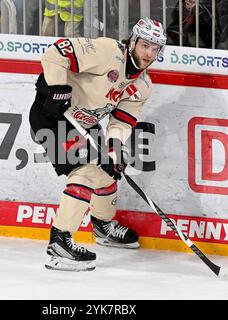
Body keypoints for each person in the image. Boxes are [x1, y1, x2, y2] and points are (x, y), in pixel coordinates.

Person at [29, 17, 167, 271]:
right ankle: (60, 241)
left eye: (155, 48)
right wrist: (58, 87)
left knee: (107, 169)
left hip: (85, 122)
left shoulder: (143, 86)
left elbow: (122, 122)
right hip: (53, 116)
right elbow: (56, 52)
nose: (149, 53)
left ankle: (102, 225)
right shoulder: (107, 52)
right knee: (87, 170)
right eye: (145, 45)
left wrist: (114, 147)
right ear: (134, 40)